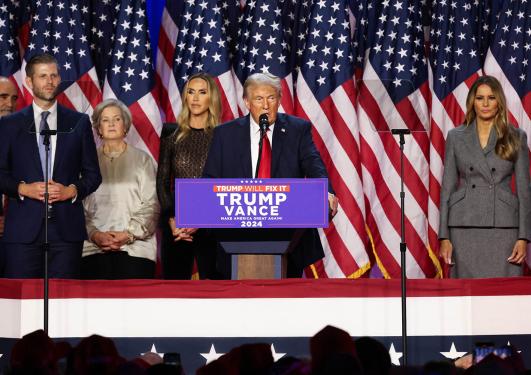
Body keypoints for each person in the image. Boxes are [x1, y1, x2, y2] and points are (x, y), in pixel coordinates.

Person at [202, 72, 338, 278]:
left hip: (288, 235)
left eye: (271, 98)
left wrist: (326, 192)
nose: (266, 105)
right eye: (258, 99)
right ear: (247, 102)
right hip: (235, 234)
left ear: (279, 100)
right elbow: (210, 179)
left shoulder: (297, 129)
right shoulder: (225, 134)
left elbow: (314, 165)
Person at [0, 53, 101, 279]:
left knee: (63, 304)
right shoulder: (9, 124)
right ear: (29, 82)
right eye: (43, 76)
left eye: (54, 75)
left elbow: (93, 175)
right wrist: (22, 188)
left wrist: (72, 190)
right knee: (22, 306)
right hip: (23, 232)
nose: (50, 81)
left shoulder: (78, 122)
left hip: (66, 233)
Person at [438, 75, 530, 278]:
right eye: (480, 98)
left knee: (502, 297)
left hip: (504, 226)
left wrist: (523, 237)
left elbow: (524, 192)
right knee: (466, 297)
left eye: (491, 98)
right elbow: (447, 188)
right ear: (472, 101)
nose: (486, 104)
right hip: (463, 225)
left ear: (499, 101)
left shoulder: (516, 136)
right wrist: (444, 236)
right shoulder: (455, 136)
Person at [82, 99, 159, 279]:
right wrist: (94, 234)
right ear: (98, 128)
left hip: (136, 249)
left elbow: (152, 204)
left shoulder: (143, 160)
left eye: (116, 119)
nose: (111, 124)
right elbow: (77, 206)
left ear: (125, 125)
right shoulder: (86, 161)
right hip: (92, 248)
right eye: (105, 120)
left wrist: (128, 234)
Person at [156, 72, 222, 279]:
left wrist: (201, 219)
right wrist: (172, 219)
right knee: (174, 290)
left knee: (215, 288)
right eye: (191, 92)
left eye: (202, 92)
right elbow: (163, 181)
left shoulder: (223, 136)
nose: (195, 98)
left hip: (213, 222)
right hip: (177, 223)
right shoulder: (170, 133)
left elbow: (224, 183)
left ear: (211, 98)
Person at [0, 77, 19, 277]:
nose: (10, 104)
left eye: (14, 98)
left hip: (15, 235)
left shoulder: (21, 136)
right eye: (3, 97)